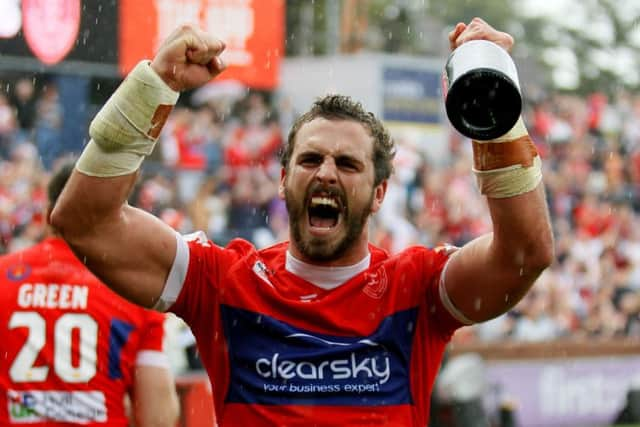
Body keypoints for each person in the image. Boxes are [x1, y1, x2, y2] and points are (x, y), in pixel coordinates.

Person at [50, 17, 554, 426]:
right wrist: (152, 86)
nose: (327, 173)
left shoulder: (415, 289)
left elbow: (524, 254)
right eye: (311, 160)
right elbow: (86, 222)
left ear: (380, 193)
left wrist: (495, 109)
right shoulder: (225, 283)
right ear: (283, 179)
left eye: (348, 164)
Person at [1, 161, 179, 426]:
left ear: (49, 212)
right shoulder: (134, 292)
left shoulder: (4, 276)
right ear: (117, 219)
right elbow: (158, 418)